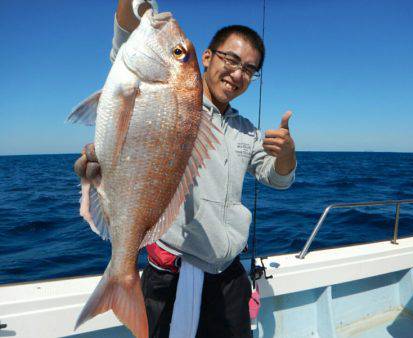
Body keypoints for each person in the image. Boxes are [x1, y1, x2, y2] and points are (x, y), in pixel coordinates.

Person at [76, 1, 296, 337]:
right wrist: (139, 6)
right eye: (231, 60)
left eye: (249, 69)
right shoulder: (160, 88)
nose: (238, 74)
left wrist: (286, 155)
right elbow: (127, 29)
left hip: (229, 277)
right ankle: (121, 275)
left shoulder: (247, 130)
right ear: (206, 57)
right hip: (170, 278)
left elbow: (278, 178)